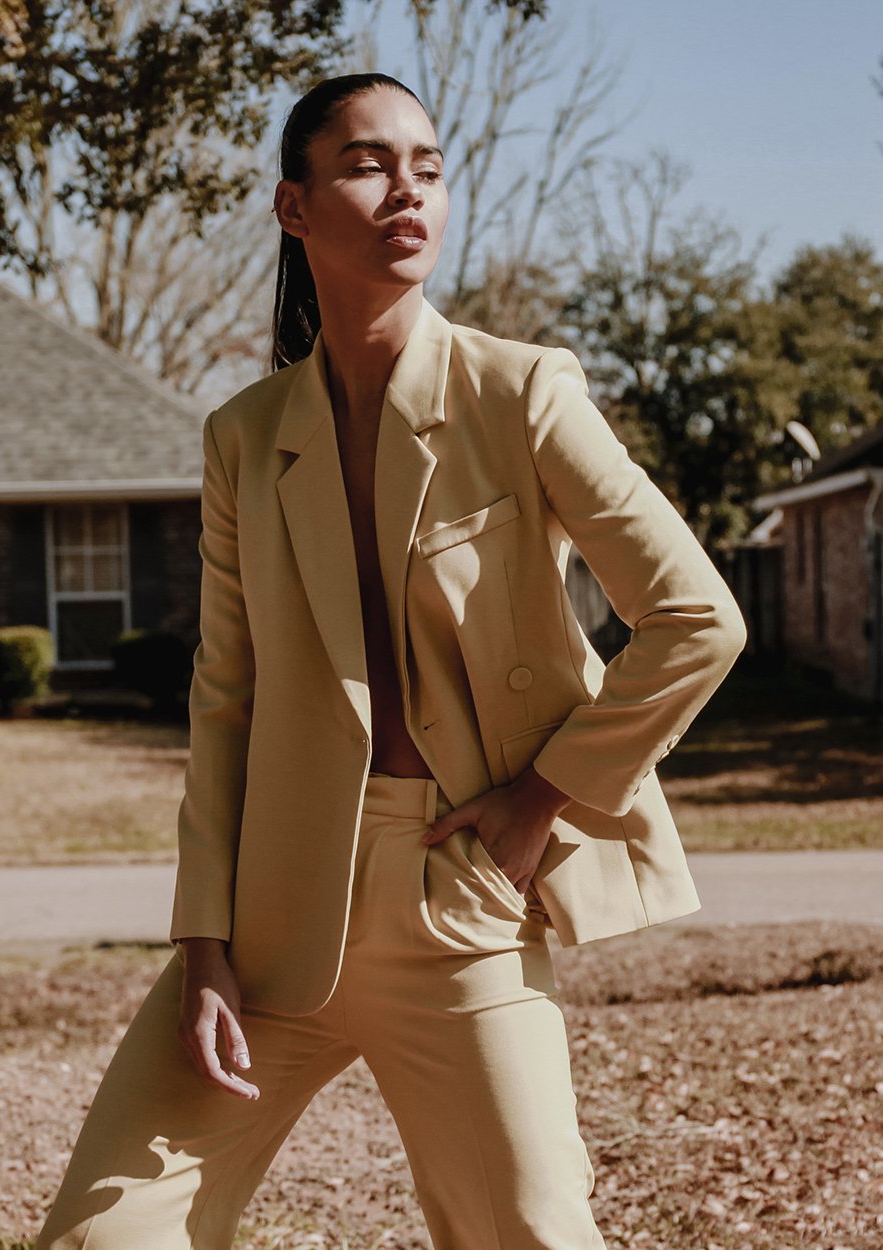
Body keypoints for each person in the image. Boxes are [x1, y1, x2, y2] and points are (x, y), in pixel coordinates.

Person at [36, 72, 747, 1250]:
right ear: (294, 207)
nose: (405, 188)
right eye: (367, 164)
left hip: (457, 893)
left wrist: (541, 798)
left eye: (426, 164)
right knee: (108, 1231)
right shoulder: (245, 438)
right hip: (271, 915)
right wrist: (202, 943)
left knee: (530, 1233)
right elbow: (227, 703)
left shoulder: (519, 391)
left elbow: (693, 615)